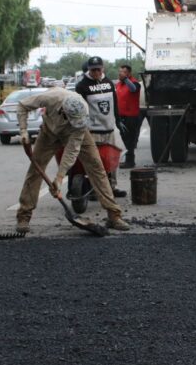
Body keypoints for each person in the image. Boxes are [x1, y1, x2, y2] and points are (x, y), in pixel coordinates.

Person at [14, 88, 129, 233]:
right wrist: (23, 131)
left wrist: (59, 178)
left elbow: (71, 151)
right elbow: (22, 105)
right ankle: (24, 216)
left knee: (96, 167)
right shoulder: (52, 97)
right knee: (35, 170)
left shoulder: (81, 115)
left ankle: (114, 215)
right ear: (63, 111)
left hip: (76, 132)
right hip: (49, 133)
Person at [76, 56, 127, 197]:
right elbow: (79, 109)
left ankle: (112, 187)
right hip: (92, 131)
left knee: (112, 160)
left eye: (98, 69)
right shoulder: (82, 86)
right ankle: (95, 188)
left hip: (109, 129)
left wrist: (118, 120)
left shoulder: (109, 83)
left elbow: (114, 103)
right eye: (93, 70)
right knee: (95, 162)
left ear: (102, 68)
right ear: (89, 70)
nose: (96, 72)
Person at [115, 64, 143, 169]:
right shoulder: (118, 85)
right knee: (124, 138)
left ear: (129, 73)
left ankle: (130, 161)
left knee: (130, 139)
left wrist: (126, 79)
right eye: (120, 71)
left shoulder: (134, 83)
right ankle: (128, 159)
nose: (120, 73)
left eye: (123, 72)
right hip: (121, 116)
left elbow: (133, 89)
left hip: (131, 116)